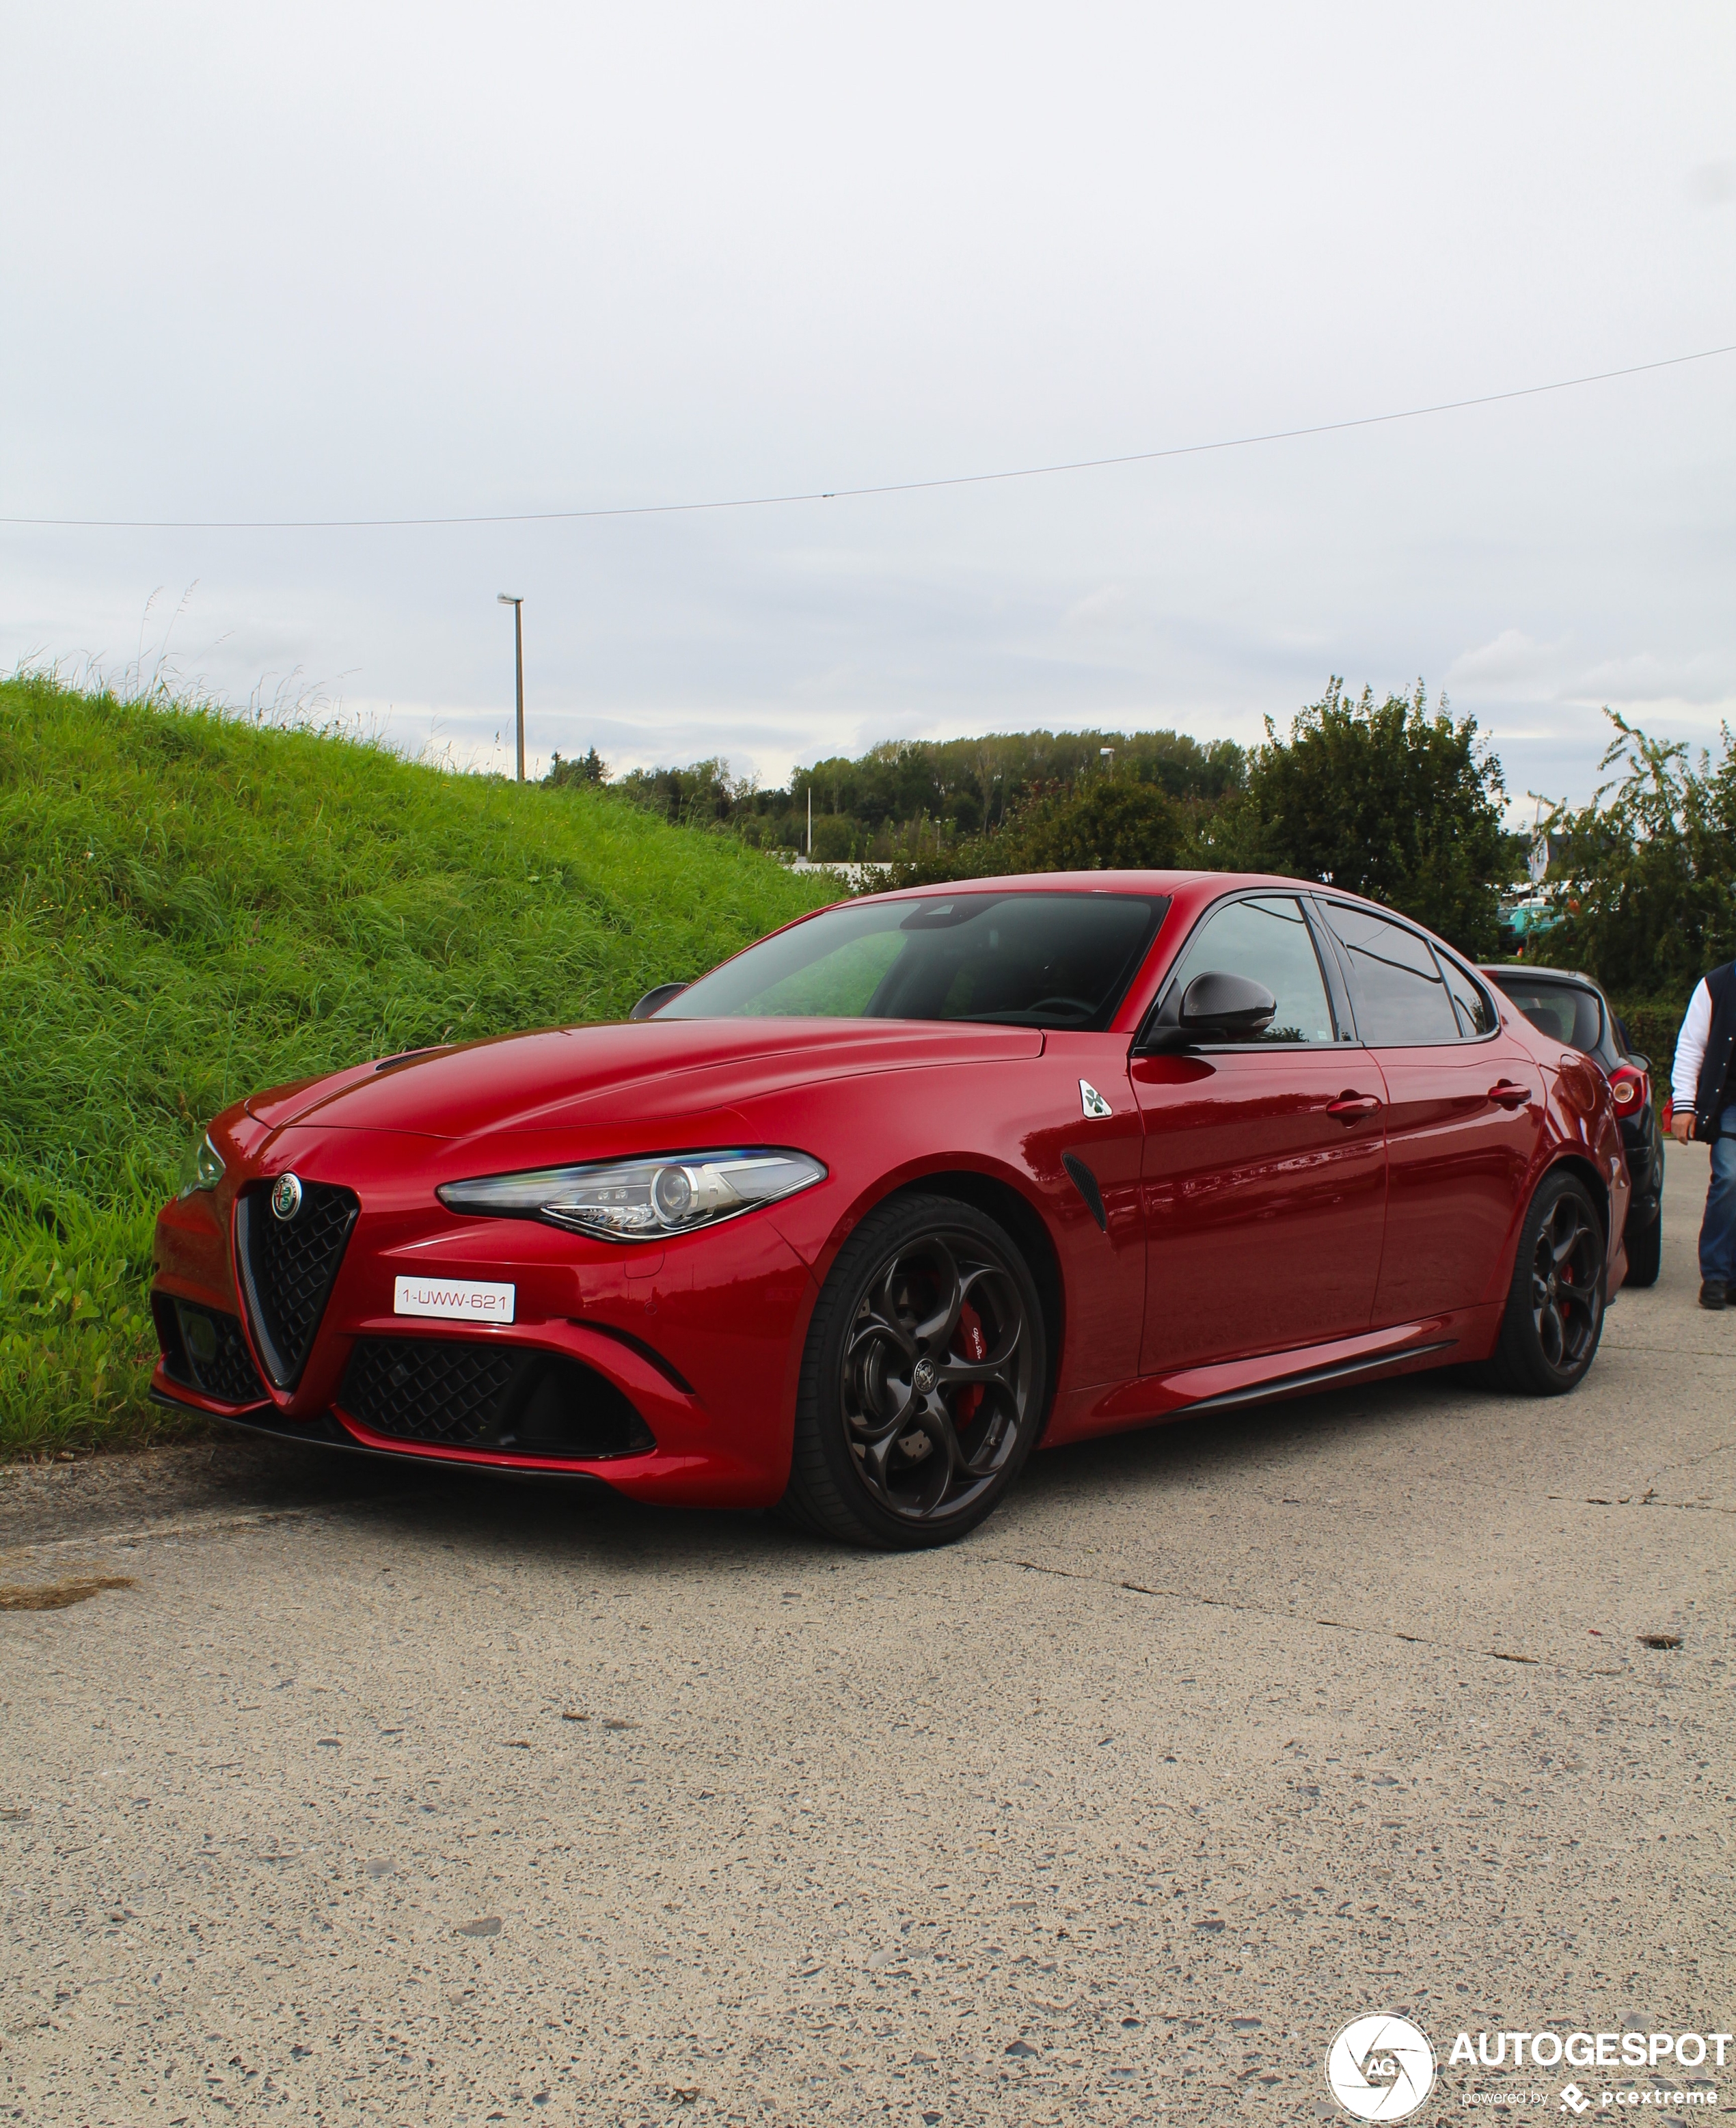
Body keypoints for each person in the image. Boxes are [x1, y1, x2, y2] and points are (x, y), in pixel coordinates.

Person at [1670, 959, 1736, 1308]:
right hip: (1730, 1104)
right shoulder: (1715, 985)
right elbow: (1691, 1047)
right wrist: (1684, 1105)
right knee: (1730, 1179)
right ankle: (1716, 1275)